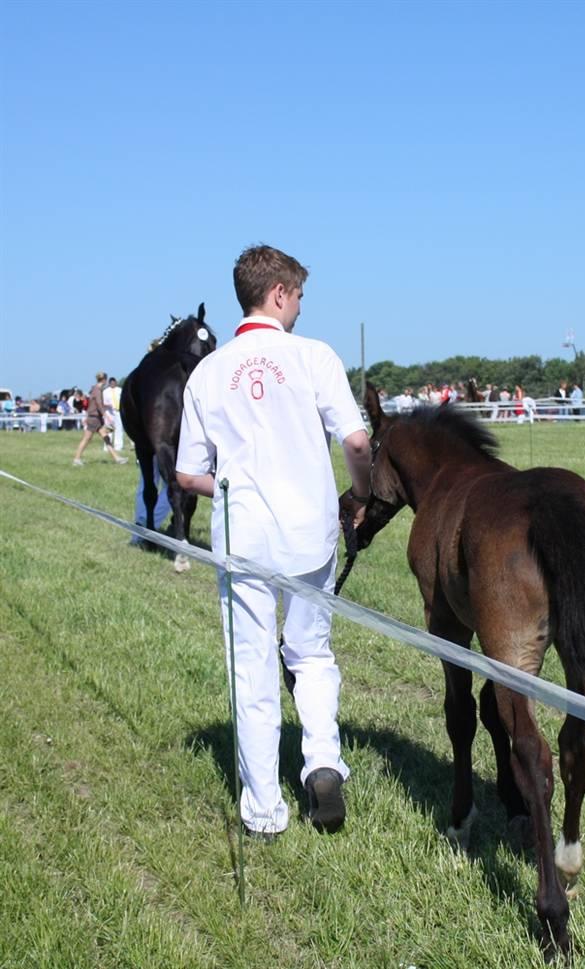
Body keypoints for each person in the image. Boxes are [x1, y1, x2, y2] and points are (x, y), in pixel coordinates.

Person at [176, 244, 371, 839]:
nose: (302, 309)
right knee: (311, 654)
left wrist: (232, 485)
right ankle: (321, 762)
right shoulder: (314, 356)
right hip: (309, 532)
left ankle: (263, 809)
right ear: (280, 294)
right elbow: (358, 443)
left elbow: (187, 475)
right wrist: (360, 496)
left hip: (242, 537)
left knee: (252, 669)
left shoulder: (208, 372)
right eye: (300, 297)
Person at [72, 372, 128, 466]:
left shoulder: (94, 389)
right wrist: (106, 416)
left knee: (106, 438)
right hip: (94, 418)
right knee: (87, 439)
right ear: (104, 380)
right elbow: (98, 404)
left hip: (95, 418)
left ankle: (117, 458)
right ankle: (76, 459)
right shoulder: (97, 390)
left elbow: (94, 404)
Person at [103, 376, 124, 451]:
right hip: (109, 412)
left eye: (114, 383)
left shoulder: (120, 390)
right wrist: (108, 405)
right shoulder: (105, 391)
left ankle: (119, 446)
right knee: (109, 429)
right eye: (111, 383)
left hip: (118, 411)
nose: (113, 384)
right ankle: (107, 446)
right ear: (109, 383)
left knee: (119, 429)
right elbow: (103, 402)